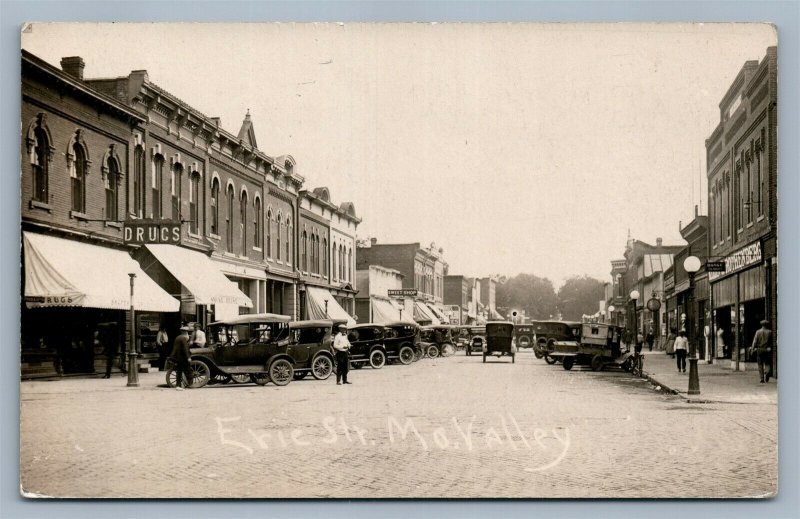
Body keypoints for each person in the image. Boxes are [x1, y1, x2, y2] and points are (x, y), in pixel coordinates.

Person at [171, 326, 192, 390]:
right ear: (185, 332)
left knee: (179, 372)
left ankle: (178, 385)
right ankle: (190, 383)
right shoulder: (183, 338)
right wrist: (188, 357)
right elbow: (185, 349)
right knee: (188, 370)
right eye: (187, 332)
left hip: (177, 357)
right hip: (182, 358)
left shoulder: (178, 337)